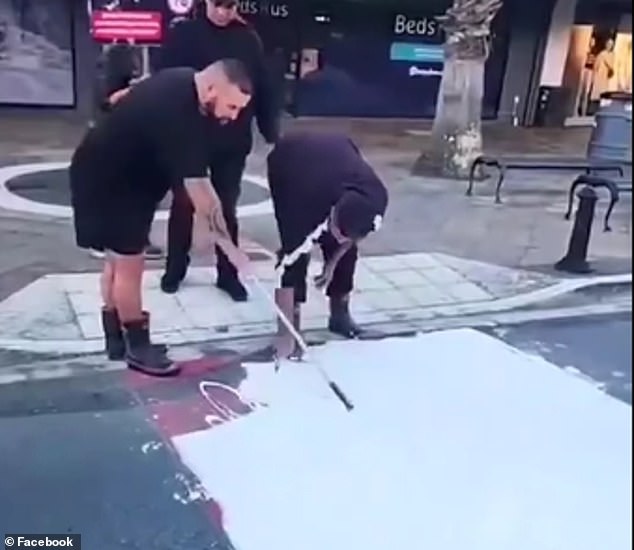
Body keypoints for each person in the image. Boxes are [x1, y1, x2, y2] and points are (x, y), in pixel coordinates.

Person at [70, 59, 253, 377]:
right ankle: (139, 348)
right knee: (129, 266)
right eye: (232, 105)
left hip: (104, 170)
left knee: (114, 263)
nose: (233, 116)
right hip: (116, 185)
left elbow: (125, 96)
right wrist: (233, 252)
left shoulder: (181, 77)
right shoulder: (181, 117)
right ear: (211, 89)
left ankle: (116, 341)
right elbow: (203, 197)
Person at [157, 0, 279, 301]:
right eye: (217, 4)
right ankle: (175, 267)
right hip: (190, 133)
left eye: (230, 6)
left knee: (226, 205)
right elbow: (168, 80)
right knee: (185, 202)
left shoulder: (247, 39)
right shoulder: (185, 33)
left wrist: (269, 130)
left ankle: (228, 274)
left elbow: (261, 86)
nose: (223, 12)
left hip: (232, 137)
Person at [266, 131, 388, 359]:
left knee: (348, 254)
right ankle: (289, 329)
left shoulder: (375, 197)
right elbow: (286, 262)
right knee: (295, 254)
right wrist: (286, 331)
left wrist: (331, 265)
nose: (340, 239)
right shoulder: (306, 202)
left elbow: (352, 238)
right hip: (289, 163)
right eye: (336, 231)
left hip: (339, 148)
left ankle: (339, 316)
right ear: (332, 214)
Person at [91, 42, 163, 261]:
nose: (135, 67)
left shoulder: (119, 80)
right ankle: (102, 241)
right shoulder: (107, 81)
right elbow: (107, 104)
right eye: (132, 63)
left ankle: (137, 238)